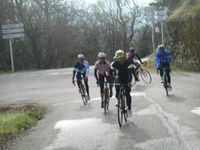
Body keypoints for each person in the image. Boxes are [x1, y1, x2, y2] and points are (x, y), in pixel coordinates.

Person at [111, 50, 134, 117]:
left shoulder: (128, 63)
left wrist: (129, 82)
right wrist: (111, 79)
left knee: (127, 94)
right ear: (117, 58)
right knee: (117, 93)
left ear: (124, 57)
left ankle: (129, 108)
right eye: (119, 59)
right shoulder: (115, 63)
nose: (121, 60)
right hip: (119, 79)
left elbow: (130, 73)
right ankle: (119, 101)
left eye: (122, 58)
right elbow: (111, 72)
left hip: (127, 78)